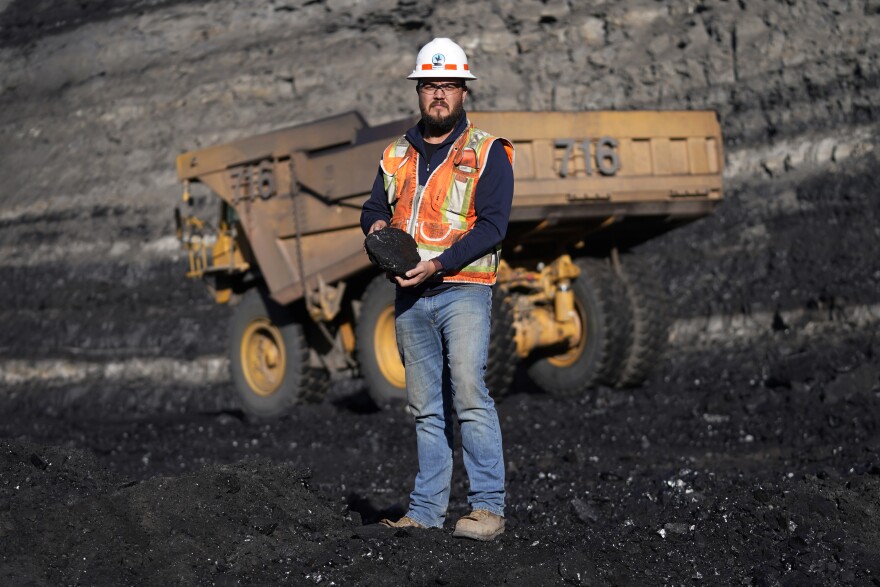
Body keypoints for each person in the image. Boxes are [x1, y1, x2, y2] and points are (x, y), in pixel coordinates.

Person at [360, 38, 514, 541]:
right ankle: (426, 511)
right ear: (419, 91)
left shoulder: (488, 151)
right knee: (426, 408)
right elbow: (373, 210)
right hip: (410, 297)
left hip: (463, 290)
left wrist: (438, 265)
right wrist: (376, 233)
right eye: (430, 85)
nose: (439, 94)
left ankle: (486, 510)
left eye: (448, 85)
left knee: (469, 394)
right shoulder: (396, 154)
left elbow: (493, 227)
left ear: (464, 91)